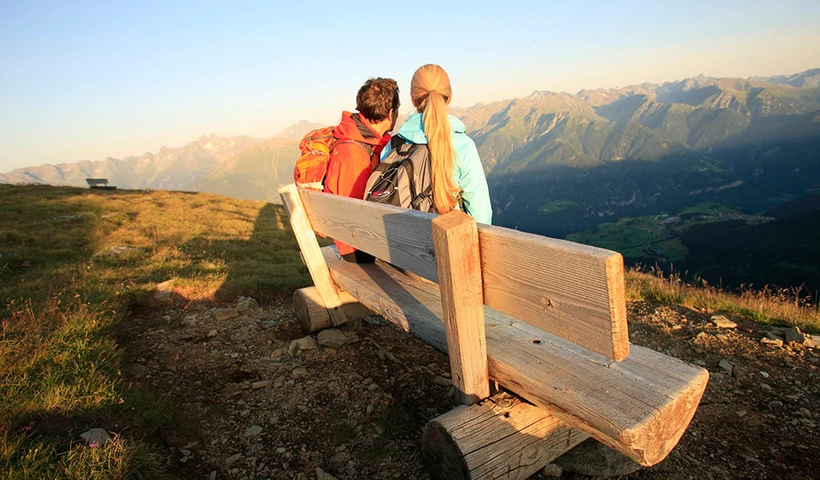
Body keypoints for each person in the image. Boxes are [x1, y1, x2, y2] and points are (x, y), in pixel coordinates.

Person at [381, 64, 492, 224]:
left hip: (403, 244)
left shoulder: (392, 146)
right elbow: (481, 216)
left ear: (413, 100)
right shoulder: (463, 146)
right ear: (450, 97)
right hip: (449, 245)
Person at [325, 77, 400, 263]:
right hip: (358, 249)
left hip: (359, 241)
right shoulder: (354, 155)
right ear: (391, 114)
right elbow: (357, 219)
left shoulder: (363, 142)